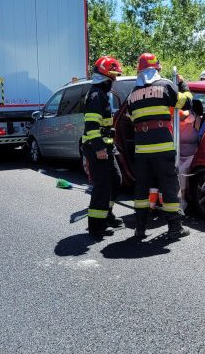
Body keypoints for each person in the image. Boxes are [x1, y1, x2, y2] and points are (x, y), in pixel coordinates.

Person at [128, 53, 193, 240]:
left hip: (141, 150)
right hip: (163, 147)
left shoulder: (133, 94)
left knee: (141, 189)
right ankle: (174, 228)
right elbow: (186, 102)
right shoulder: (165, 85)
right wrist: (183, 85)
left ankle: (140, 228)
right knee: (169, 187)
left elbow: (132, 119)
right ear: (156, 69)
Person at [82, 56, 124, 239]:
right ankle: (96, 226)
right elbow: (91, 127)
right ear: (105, 75)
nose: (114, 80)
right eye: (113, 76)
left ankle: (107, 214)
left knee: (116, 180)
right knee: (102, 186)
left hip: (106, 148)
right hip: (96, 148)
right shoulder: (96, 95)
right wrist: (99, 149)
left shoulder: (102, 94)